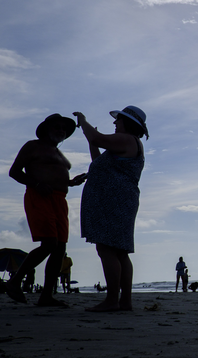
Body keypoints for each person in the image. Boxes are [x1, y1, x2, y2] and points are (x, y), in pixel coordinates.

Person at [5, 114, 87, 307]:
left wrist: (71, 182)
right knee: (49, 244)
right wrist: (36, 184)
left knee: (60, 249)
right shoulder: (32, 146)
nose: (61, 131)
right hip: (39, 196)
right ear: (46, 129)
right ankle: (15, 281)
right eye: (56, 127)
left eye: (64, 129)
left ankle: (46, 296)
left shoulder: (60, 154)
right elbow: (14, 172)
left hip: (60, 200)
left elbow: (55, 177)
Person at [74, 106, 148, 312]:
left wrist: (83, 122)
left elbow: (98, 138)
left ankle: (112, 300)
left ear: (128, 123)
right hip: (120, 200)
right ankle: (124, 301)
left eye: (118, 120)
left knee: (107, 249)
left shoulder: (127, 139)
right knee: (120, 252)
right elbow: (99, 161)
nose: (115, 123)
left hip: (114, 200)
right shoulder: (129, 143)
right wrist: (92, 139)